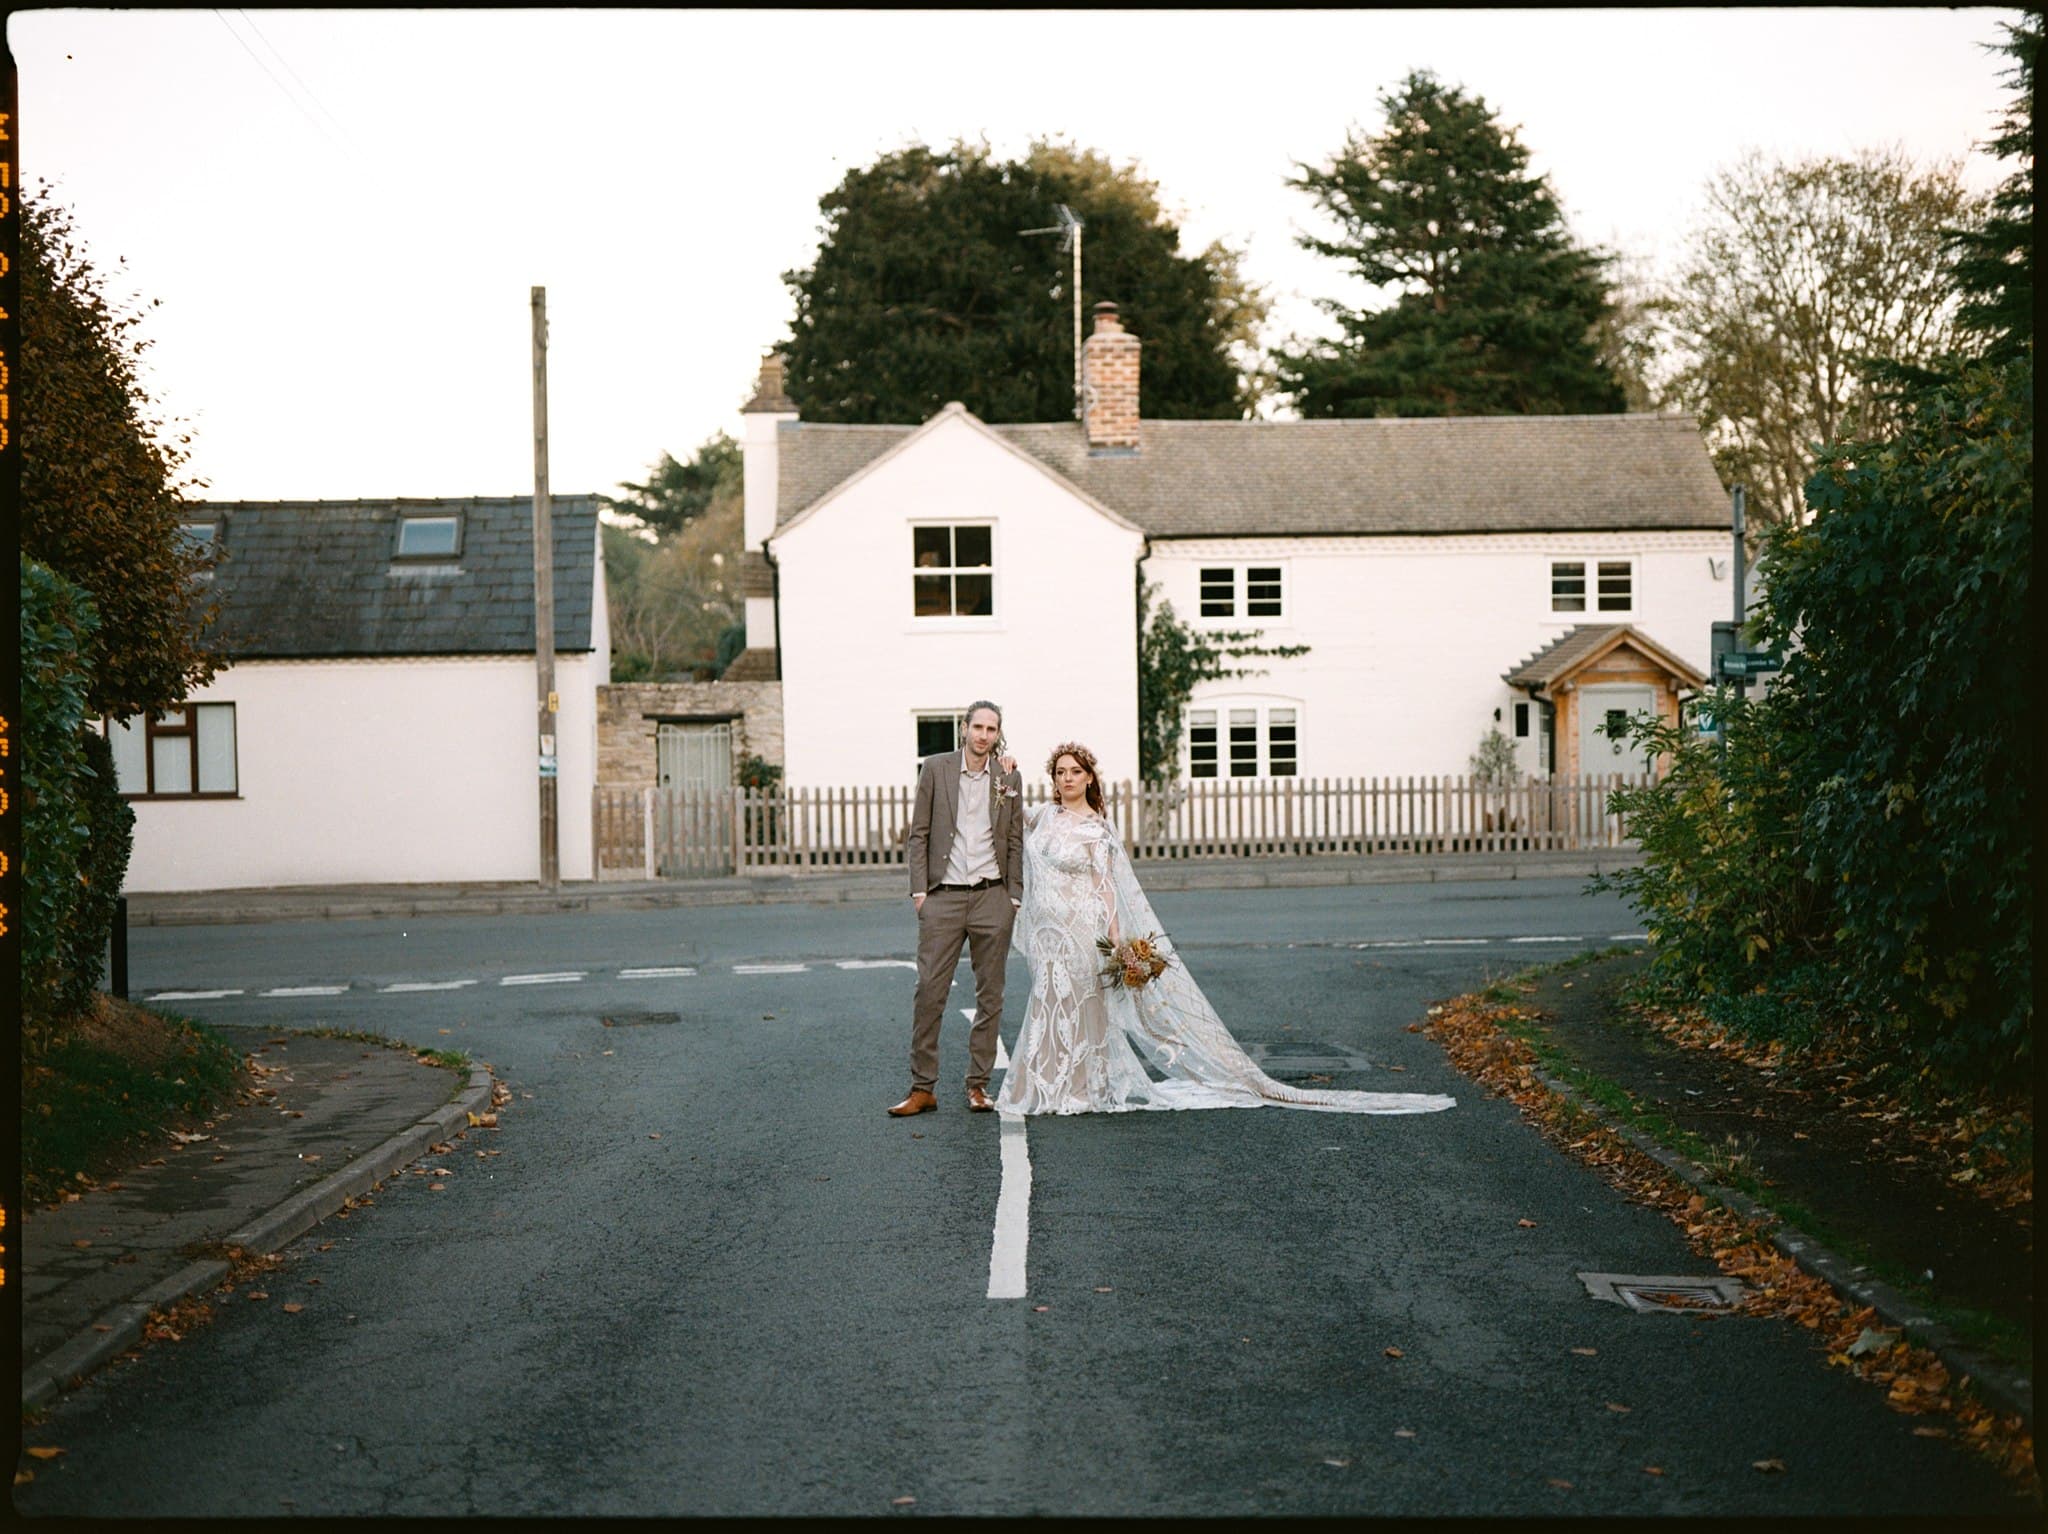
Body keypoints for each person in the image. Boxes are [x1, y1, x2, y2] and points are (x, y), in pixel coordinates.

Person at [993, 742, 1457, 1117]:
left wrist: (1116, 938)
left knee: (1085, 1006)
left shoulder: (1096, 829)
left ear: (1089, 778)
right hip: (1049, 933)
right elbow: (1008, 811)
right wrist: (1006, 768)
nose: (1067, 778)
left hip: (1083, 930)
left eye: (1075, 771)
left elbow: (1106, 886)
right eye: (1060, 772)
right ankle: (1045, 1085)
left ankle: (1081, 1090)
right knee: (1049, 1001)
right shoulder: (1045, 816)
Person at [887, 701, 1025, 1117]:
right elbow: (918, 834)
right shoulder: (935, 769)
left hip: (992, 896)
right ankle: (922, 1088)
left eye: (991, 729)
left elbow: (1015, 838)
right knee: (929, 991)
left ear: (998, 734)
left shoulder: (1008, 776)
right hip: (942, 897)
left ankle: (978, 1086)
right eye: (977, 727)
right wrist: (920, 893)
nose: (983, 735)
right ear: (964, 728)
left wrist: (1013, 896)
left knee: (990, 995)